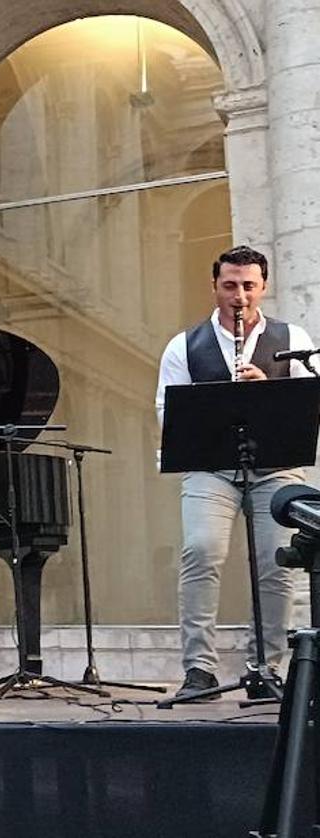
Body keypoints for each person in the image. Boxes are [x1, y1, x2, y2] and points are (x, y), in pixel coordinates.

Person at [155, 245, 317, 700]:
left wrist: (268, 394)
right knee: (201, 551)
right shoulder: (184, 345)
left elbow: (310, 410)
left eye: (248, 286)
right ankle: (199, 670)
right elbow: (168, 411)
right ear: (215, 287)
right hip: (212, 467)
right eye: (230, 285)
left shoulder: (293, 337)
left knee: (277, 565)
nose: (239, 296)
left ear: (263, 288)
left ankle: (264, 668)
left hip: (276, 470)